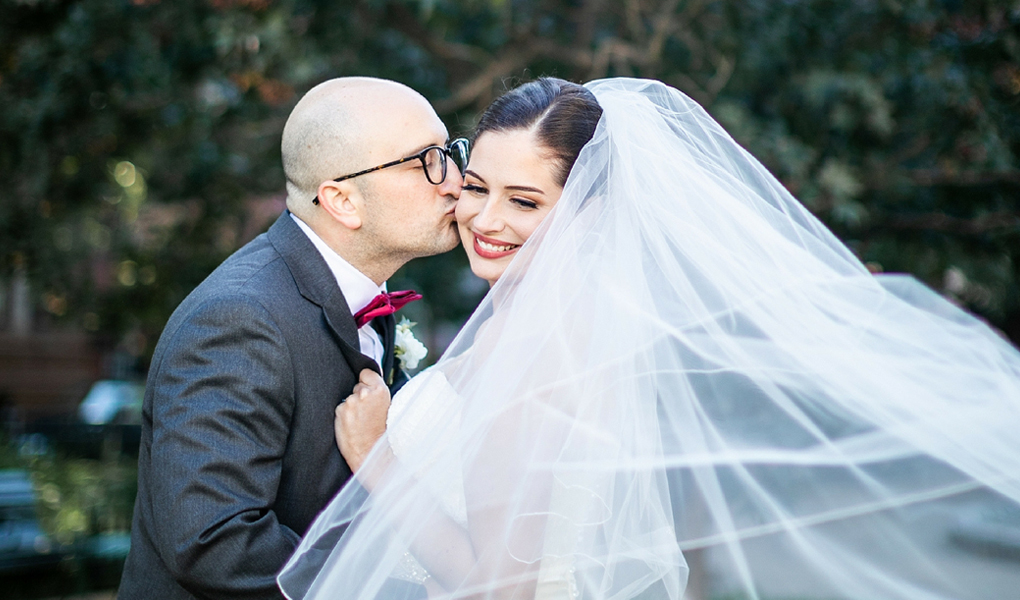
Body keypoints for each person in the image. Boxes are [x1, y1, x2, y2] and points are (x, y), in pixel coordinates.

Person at [279, 78, 1020, 600]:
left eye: (526, 201)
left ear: (590, 215)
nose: (485, 219)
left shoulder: (544, 353)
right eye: (476, 187)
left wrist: (380, 459)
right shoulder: (546, 322)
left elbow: (496, 586)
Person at [119, 77, 467, 600]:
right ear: (343, 201)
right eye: (426, 161)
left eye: (450, 151)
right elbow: (214, 544)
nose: (455, 181)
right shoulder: (238, 319)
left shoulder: (362, 299)